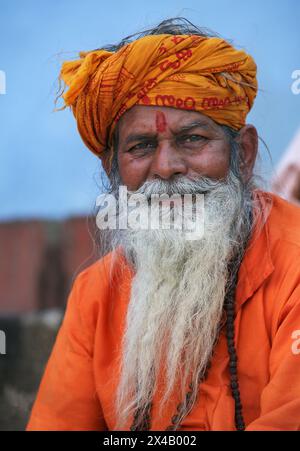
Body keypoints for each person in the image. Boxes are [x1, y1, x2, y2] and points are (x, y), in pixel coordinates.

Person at [26, 18, 300, 431]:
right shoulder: (96, 295)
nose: (167, 167)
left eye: (193, 139)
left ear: (242, 155)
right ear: (114, 170)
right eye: (142, 146)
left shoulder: (294, 263)